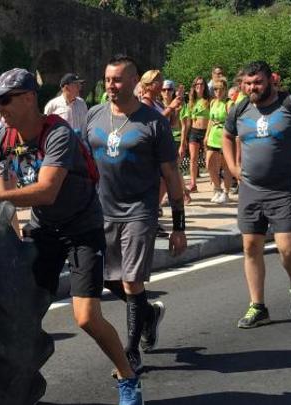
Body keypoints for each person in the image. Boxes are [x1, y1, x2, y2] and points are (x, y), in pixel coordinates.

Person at [0, 67, 145, 405]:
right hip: (44, 231)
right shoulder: (4, 135)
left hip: (82, 230)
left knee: (86, 317)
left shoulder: (57, 134)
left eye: (3, 100)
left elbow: (46, 191)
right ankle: (20, 384)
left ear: (29, 98)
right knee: (22, 313)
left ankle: (128, 377)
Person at [85, 55, 187, 372]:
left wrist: (178, 225)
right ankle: (148, 314)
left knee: (131, 281)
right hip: (100, 211)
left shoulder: (153, 122)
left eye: (117, 80)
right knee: (103, 278)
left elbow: (171, 174)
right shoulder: (94, 115)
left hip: (139, 212)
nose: (111, 86)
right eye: (107, 79)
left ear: (134, 82)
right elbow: (83, 164)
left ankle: (130, 352)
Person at [222, 61, 291, 328]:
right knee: (251, 247)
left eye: (258, 82)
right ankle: (257, 306)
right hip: (251, 190)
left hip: (283, 190)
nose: (252, 87)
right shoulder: (240, 107)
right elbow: (227, 136)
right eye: (247, 83)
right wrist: (234, 168)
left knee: (287, 249)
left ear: (270, 80)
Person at [205, 78, 233, 204]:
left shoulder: (229, 103)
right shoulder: (212, 103)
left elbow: (232, 121)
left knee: (225, 165)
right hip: (213, 135)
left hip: (224, 135)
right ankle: (217, 188)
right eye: (215, 89)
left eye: (221, 89)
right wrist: (206, 135)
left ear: (225, 89)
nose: (218, 91)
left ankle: (226, 192)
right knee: (209, 163)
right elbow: (210, 120)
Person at [182, 76, 210, 193]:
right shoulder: (191, 102)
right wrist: (184, 139)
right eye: (197, 84)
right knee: (193, 159)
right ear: (194, 86)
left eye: (202, 84)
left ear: (205, 86)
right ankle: (193, 183)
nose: (199, 86)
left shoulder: (209, 100)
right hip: (194, 131)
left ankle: (214, 179)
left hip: (206, 131)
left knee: (209, 158)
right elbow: (187, 123)